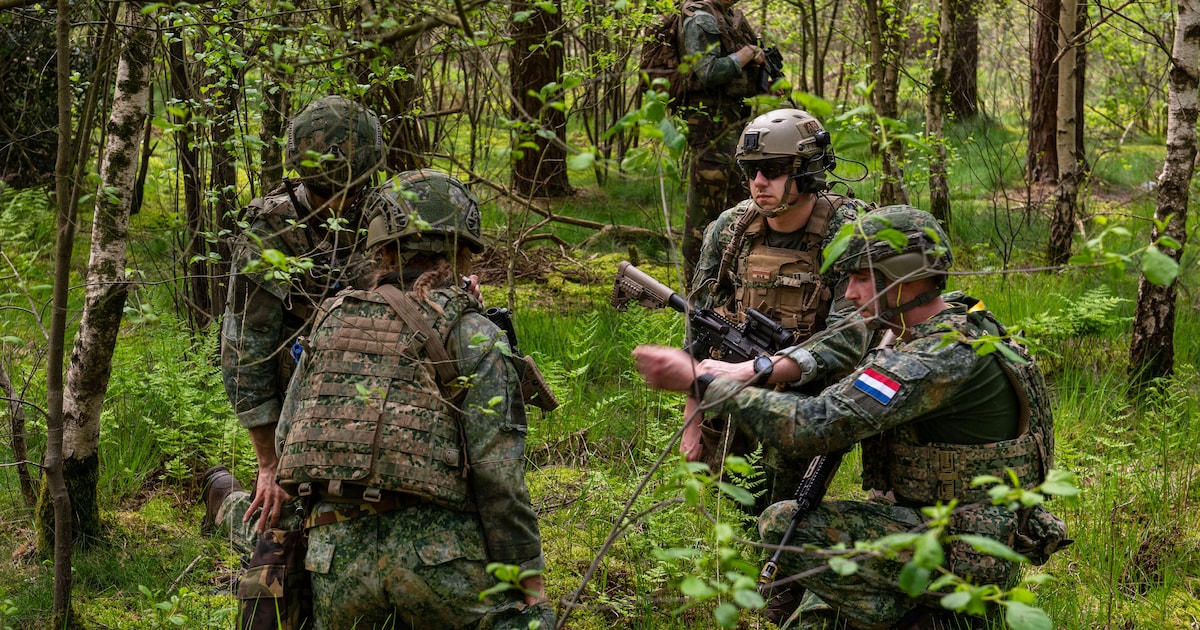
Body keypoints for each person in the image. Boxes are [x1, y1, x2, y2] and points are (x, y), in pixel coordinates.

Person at [633, 205, 1068, 628]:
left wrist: (705, 384)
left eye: (862, 278)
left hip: (967, 554)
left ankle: (930, 618)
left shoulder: (936, 357)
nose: (850, 294)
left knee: (782, 523)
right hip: (955, 528)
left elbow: (812, 426)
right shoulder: (952, 321)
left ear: (906, 279)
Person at [272, 171, 555, 629]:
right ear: (463, 251)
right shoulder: (474, 334)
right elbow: (498, 474)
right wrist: (528, 578)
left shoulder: (332, 320)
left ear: (383, 250)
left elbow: (288, 444)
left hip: (333, 562)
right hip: (440, 563)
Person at [204, 95, 388, 552]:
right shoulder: (270, 231)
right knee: (286, 542)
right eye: (326, 192)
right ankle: (224, 499)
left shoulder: (392, 215)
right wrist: (271, 465)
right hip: (302, 413)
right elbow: (245, 350)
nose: (342, 202)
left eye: (353, 188)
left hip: (385, 398)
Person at [684, 108, 870, 513]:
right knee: (722, 515)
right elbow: (696, 331)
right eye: (750, 171)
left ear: (808, 170)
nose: (758, 182)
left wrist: (762, 369)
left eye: (773, 169)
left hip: (811, 401)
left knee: (784, 513)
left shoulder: (848, 232)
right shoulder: (729, 229)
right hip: (734, 389)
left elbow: (848, 339)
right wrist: (692, 422)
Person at [677, 0, 772, 279]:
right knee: (704, 212)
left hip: (733, 124)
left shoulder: (727, 18)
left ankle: (730, 284)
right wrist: (744, 55)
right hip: (709, 127)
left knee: (738, 206)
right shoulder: (700, 18)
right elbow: (706, 72)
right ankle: (694, 292)